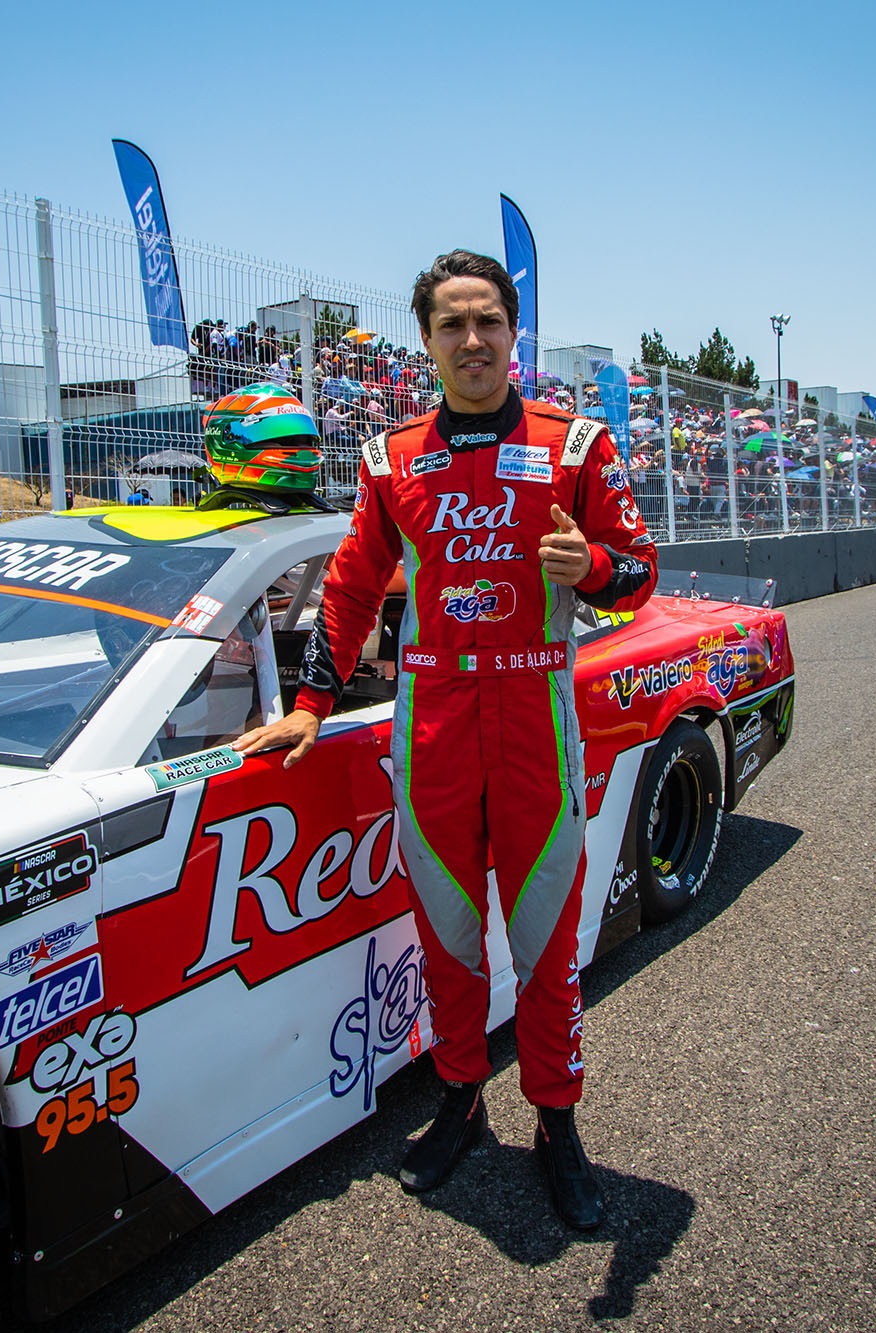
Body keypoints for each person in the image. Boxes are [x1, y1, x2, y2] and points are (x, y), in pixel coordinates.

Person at [233, 250, 655, 1230]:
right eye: (451, 325)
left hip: (535, 728)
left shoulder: (576, 445)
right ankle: (459, 1097)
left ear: (513, 335)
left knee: (546, 947)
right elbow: (344, 586)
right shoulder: (389, 458)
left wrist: (588, 562)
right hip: (430, 732)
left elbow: (634, 574)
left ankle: (556, 1122)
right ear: (425, 342)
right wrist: (309, 702)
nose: (471, 339)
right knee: (448, 940)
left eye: (488, 322)